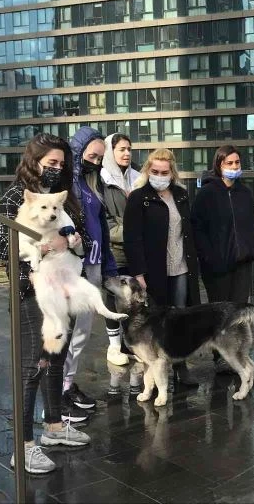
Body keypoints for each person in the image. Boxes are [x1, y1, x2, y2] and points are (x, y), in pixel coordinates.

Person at [0, 134, 90, 475]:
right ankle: (24, 445)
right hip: (33, 294)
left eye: (61, 164)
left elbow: (84, 238)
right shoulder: (15, 198)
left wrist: (71, 242)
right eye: (51, 163)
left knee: (56, 360)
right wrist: (52, 245)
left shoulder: (65, 199)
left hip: (65, 291)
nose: (56, 169)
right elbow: (6, 249)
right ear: (34, 162)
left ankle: (55, 426)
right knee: (34, 366)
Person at [124, 149, 202, 386]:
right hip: (153, 270)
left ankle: (180, 366)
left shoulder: (180, 194)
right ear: (148, 171)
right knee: (156, 320)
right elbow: (132, 237)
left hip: (180, 266)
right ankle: (154, 371)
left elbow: (188, 230)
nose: (159, 175)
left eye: (164, 172)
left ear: (172, 172)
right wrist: (139, 272)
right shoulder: (139, 197)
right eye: (155, 171)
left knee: (179, 317)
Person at [192, 145, 254, 372]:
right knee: (220, 313)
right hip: (218, 264)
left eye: (236, 163)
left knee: (240, 312)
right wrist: (209, 257)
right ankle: (220, 356)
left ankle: (240, 356)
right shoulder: (207, 194)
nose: (233, 167)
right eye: (228, 163)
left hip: (242, 261)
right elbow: (198, 229)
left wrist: (252, 249)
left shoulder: (245, 192)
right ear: (219, 165)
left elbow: (250, 223)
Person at [64, 127, 119, 410]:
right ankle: (61, 388)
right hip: (74, 269)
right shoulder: (68, 186)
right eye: (92, 156)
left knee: (82, 333)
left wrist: (108, 270)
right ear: (78, 152)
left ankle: (68, 383)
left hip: (93, 266)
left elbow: (103, 233)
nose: (96, 162)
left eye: (100, 158)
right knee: (67, 333)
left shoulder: (91, 183)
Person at [100, 133, 140, 370]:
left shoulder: (136, 177)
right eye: (121, 149)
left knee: (133, 296)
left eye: (129, 149)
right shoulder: (103, 181)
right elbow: (106, 221)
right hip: (115, 249)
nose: (126, 153)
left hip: (136, 250)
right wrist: (134, 232)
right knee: (114, 298)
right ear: (110, 152)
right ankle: (114, 345)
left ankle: (130, 342)